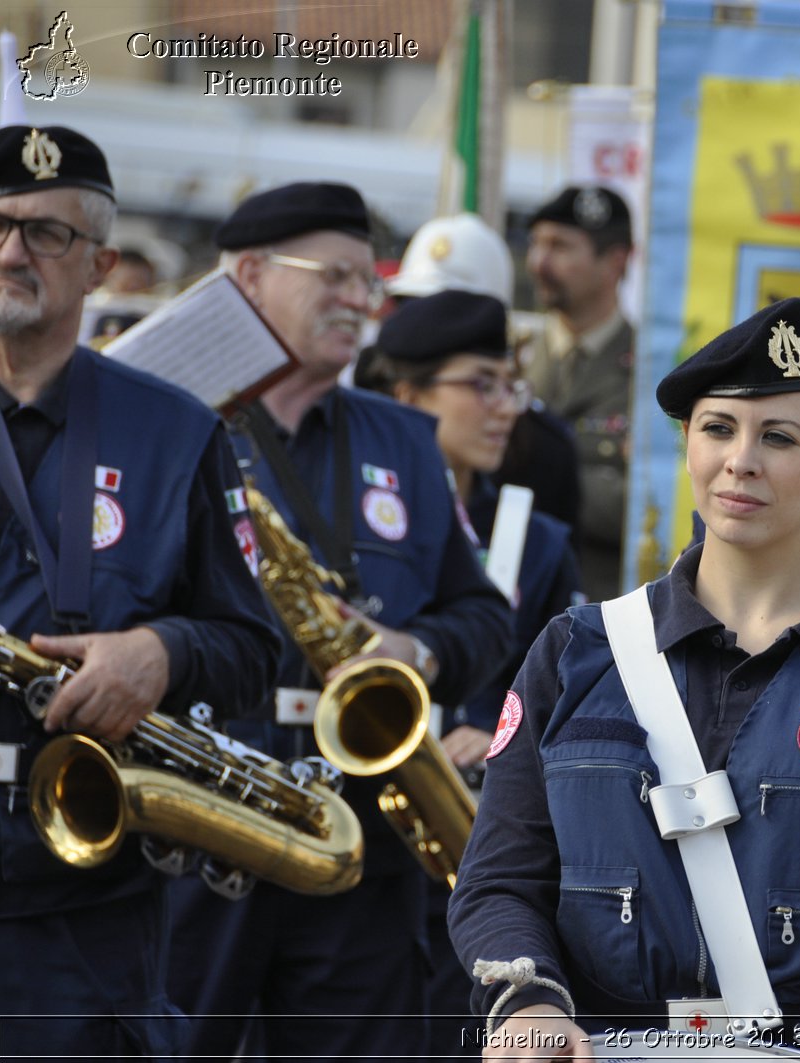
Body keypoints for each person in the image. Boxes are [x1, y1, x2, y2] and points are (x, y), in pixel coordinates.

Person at [449, 297, 800, 1059]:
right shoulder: (576, 650)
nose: (741, 459)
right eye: (719, 428)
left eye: (779, 437)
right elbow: (498, 880)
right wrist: (526, 1003)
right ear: (687, 442)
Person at [164, 182, 515, 1059]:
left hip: (362, 839)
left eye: (369, 279)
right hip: (203, 818)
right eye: (337, 276)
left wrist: (415, 650)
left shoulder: (403, 438)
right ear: (248, 274)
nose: (363, 300)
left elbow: (484, 616)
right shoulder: (163, 426)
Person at [0, 124, 281, 1057]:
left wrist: (161, 653)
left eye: (46, 233)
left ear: (102, 265)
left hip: (85, 914)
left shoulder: (176, 431)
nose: (11, 251)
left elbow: (253, 649)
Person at [360, 288, 583, 1055]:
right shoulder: (363, 522)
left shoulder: (538, 537)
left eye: (508, 384)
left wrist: (491, 724)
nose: (503, 408)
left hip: (484, 831)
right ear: (406, 397)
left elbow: (564, 687)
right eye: (478, 384)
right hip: (370, 825)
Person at [382, 212, 581, 531]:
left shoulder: (543, 451)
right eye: (411, 305)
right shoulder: (359, 418)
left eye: (450, 310)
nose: (427, 325)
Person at [515, 185, 636, 599]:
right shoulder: (510, 360)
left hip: (603, 609)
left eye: (560, 247)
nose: (538, 263)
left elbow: (647, 500)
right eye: (536, 245)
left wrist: (533, 478)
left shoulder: (651, 375)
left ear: (615, 262)